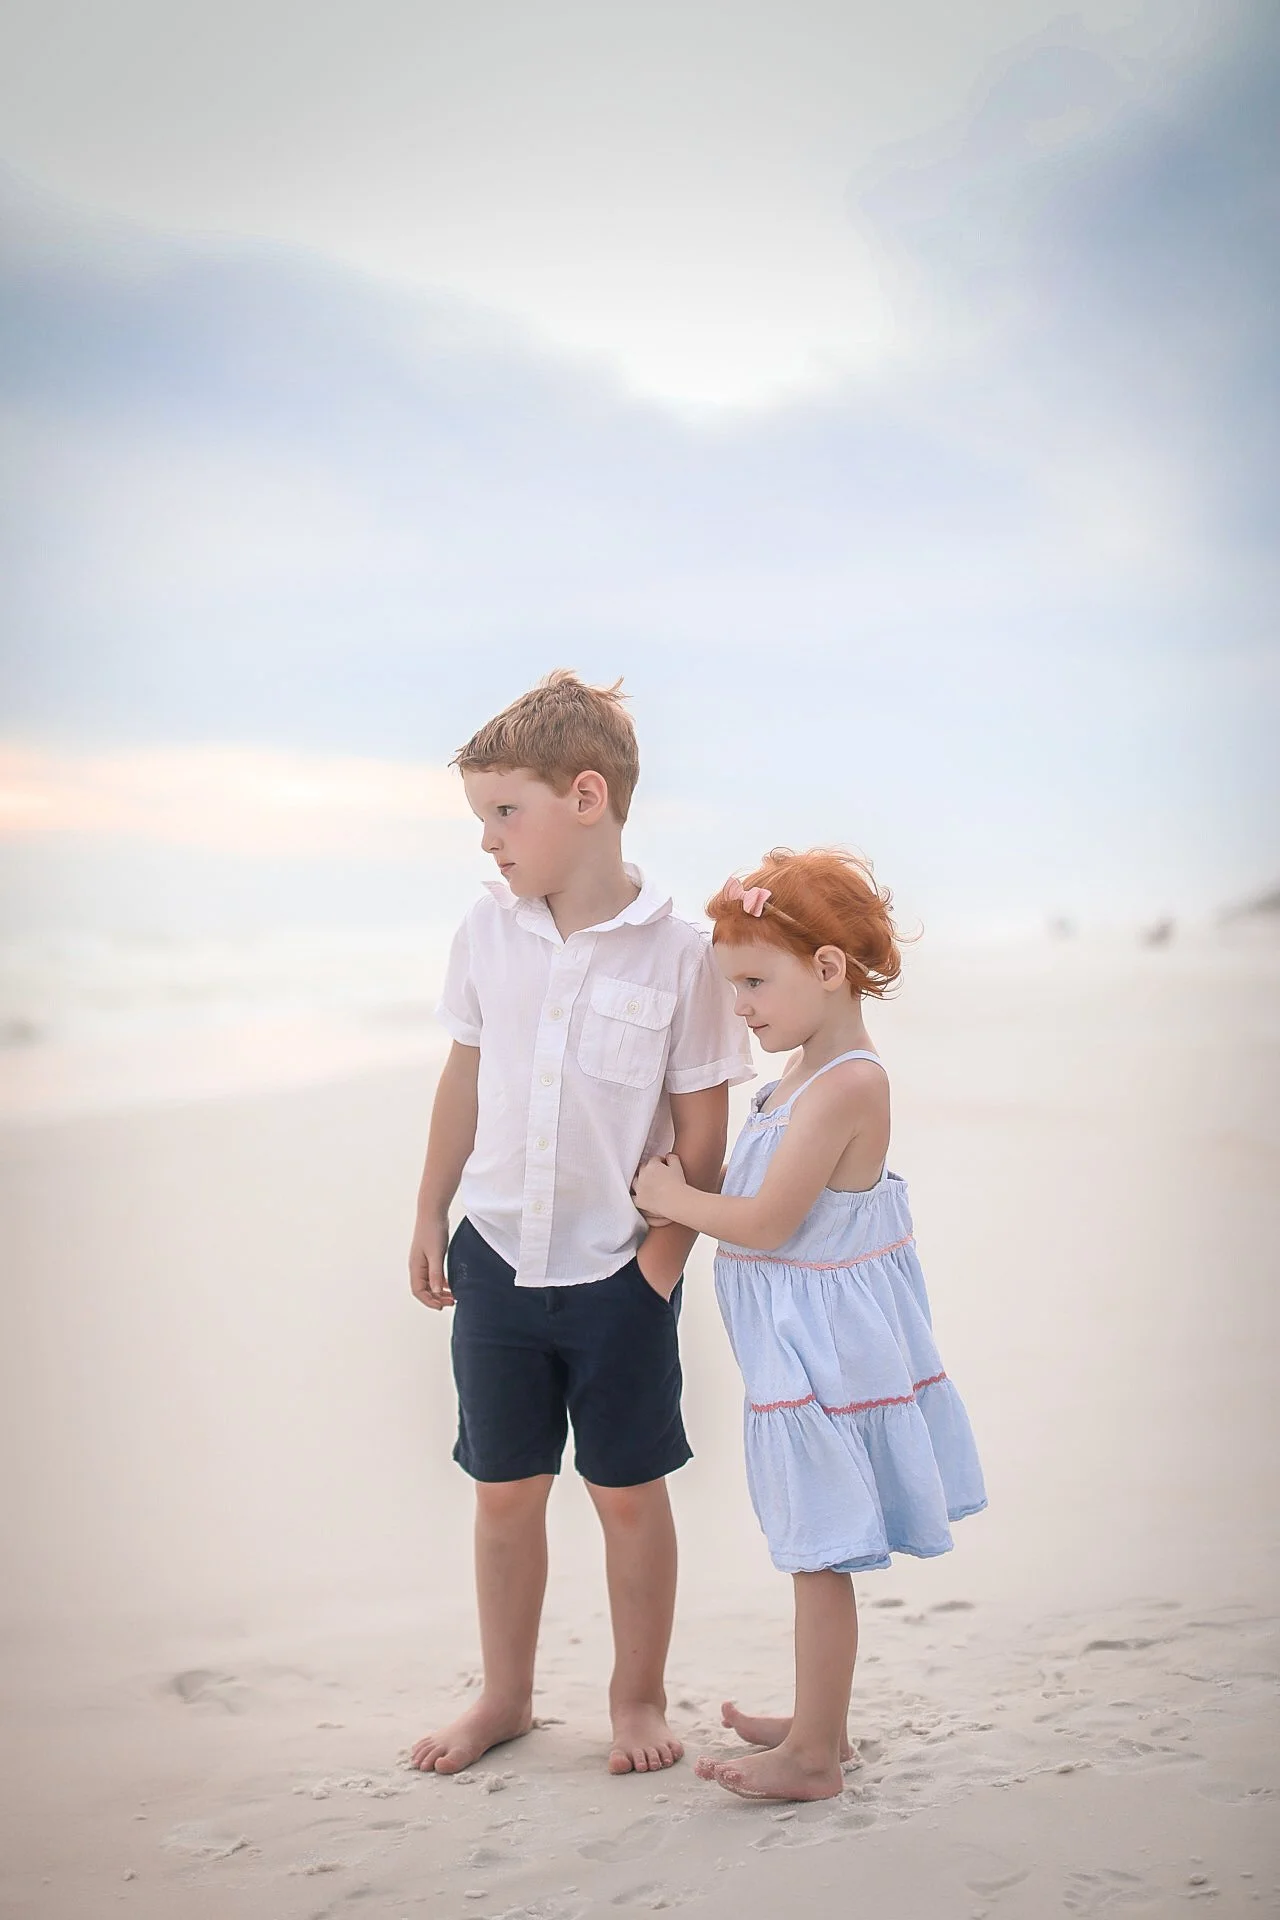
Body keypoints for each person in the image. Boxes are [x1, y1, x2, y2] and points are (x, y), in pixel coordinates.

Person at [407, 670, 753, 1777]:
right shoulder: (487, 931)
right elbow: (464, 1076)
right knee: (503, 1494)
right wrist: (427, 1206)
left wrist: (660, 1264)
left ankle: (634, 1697)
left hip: (618, 1274)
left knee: (626, 1498)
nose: (489, 844)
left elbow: (704, 1129)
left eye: (504, 814)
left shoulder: (681, 952)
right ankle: (504, 1694)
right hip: (496, 1258)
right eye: (481, 820)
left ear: (587, 799)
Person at [633, 848, 986, 1803]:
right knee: (808, 1540)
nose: (739, 1005)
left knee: (818, 1547)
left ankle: (815, 1755)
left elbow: (767, 1224)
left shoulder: (849, 1086)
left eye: (755, 981)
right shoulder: (793, 1077)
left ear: (828, 970)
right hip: (794, 1350)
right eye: (729, 984)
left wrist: (673, 1194)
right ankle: (817, 1714)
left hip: (828, 1360)